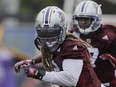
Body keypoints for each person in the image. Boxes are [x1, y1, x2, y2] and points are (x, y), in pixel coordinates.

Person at [14, 6, 105, 87]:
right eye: (43, 33)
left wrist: (38, 73)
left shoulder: (72, 47)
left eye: (52, 32)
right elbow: (53, 53)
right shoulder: (58, 45)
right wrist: (32, 61)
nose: (48, 38)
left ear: (63, 29)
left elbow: (70, 79)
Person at [68, 0, 116, 87]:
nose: (82, 22)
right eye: (79, 19)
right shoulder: (71, 35)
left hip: (106, 84)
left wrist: (112, 58)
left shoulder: (109, 35)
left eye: (86, 19)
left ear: (96, 19)